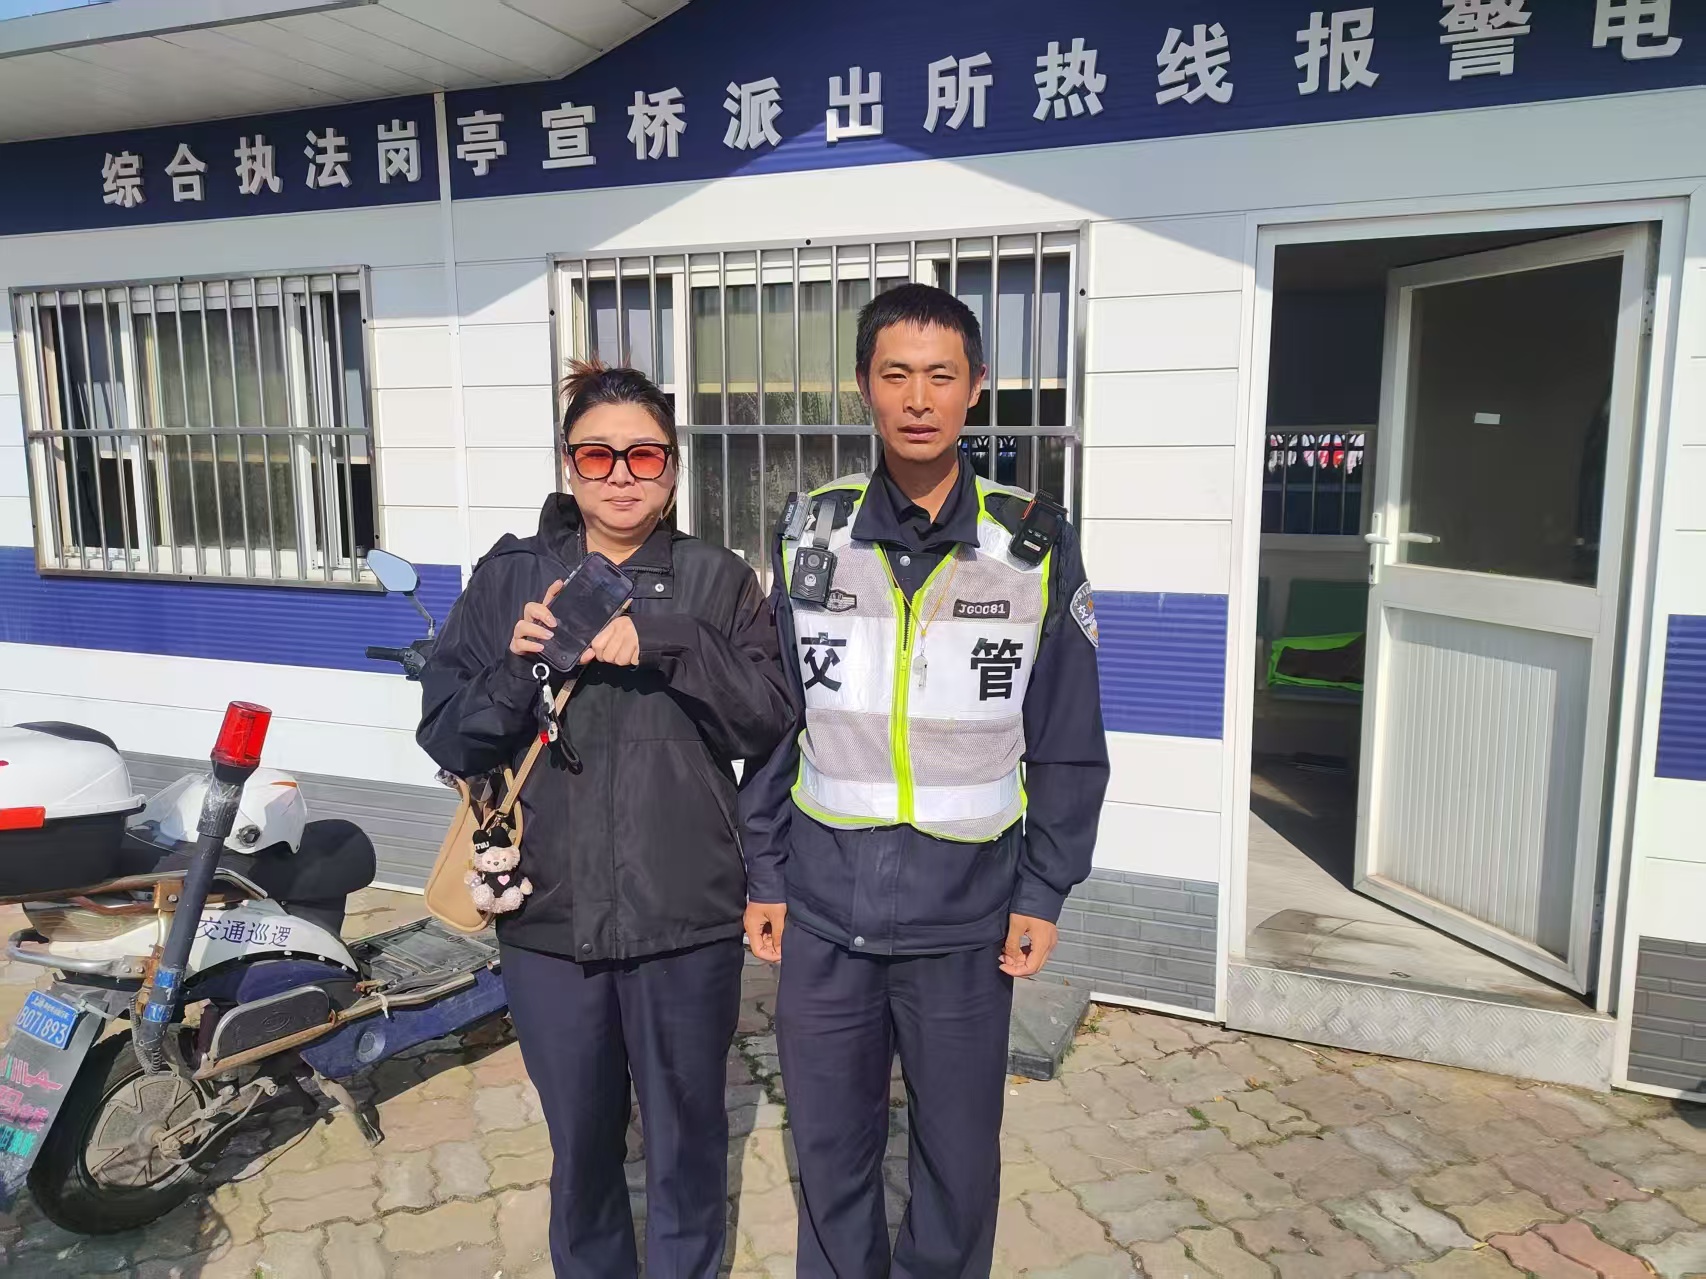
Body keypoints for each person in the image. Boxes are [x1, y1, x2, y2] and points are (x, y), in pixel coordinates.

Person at [740, 284, 1111, 1277]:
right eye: (895, 374)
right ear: (863, 386)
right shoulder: (810, 533)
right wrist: (764, 871)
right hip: (825, 912)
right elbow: (776, 720)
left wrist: (1044, 889)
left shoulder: (1030, 543)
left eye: (940, 375)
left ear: (976, 387)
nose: (917, 398)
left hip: (967, 918)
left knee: (956, 1164)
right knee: (830, 1156)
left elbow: (1067, 733)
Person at [417, 360, 793, 1279]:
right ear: (568, 464)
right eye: (598, 454)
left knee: (687, 1141)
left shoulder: (716, 579)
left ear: (673, 467)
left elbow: (767, 720)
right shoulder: (510, 577)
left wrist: (673, 642)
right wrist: (518, 668)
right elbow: (447, 732)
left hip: (686, 914)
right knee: (581, 1145)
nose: (622, 474)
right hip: (551, 916)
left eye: (644, 455)